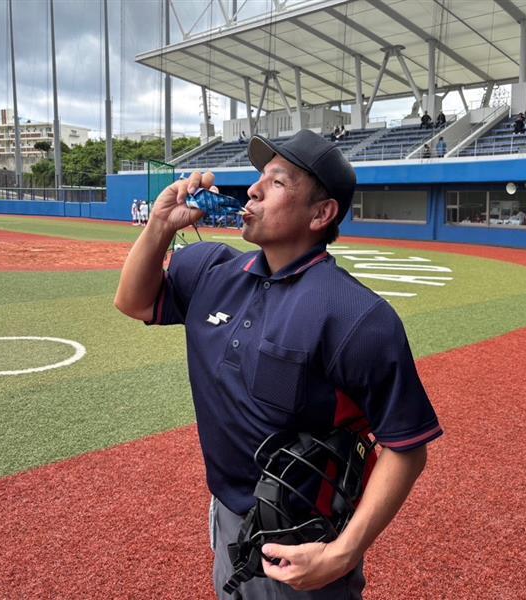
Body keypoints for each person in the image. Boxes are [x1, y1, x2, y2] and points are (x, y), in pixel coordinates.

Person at [114, 129, 442, 599]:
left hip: (304, 539)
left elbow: (406, 447)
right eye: (259, 178)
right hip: (228, 515)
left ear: (321, 214)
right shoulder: (211, 270)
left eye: (278, 182)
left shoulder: (358, 316)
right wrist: (160, 227)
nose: (253, 190)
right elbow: (134, 302)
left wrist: (343, 553)